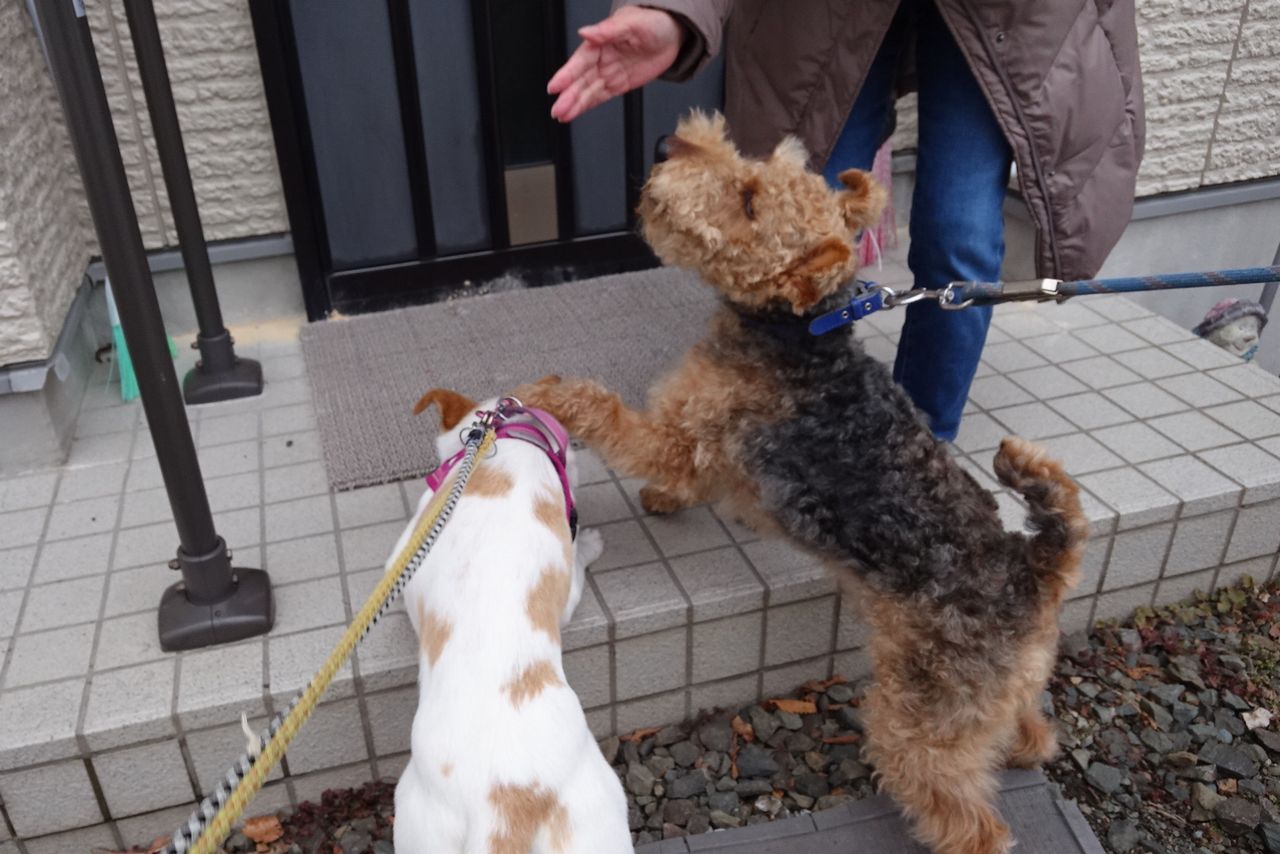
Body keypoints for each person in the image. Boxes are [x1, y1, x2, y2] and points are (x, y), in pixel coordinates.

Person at [547, 0, 1145, 441]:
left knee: (960, 239)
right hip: (822, 12)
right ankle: (761, 417)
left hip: (1013, 16)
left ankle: (918, 452)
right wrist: (679, 12)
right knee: (793, 236)